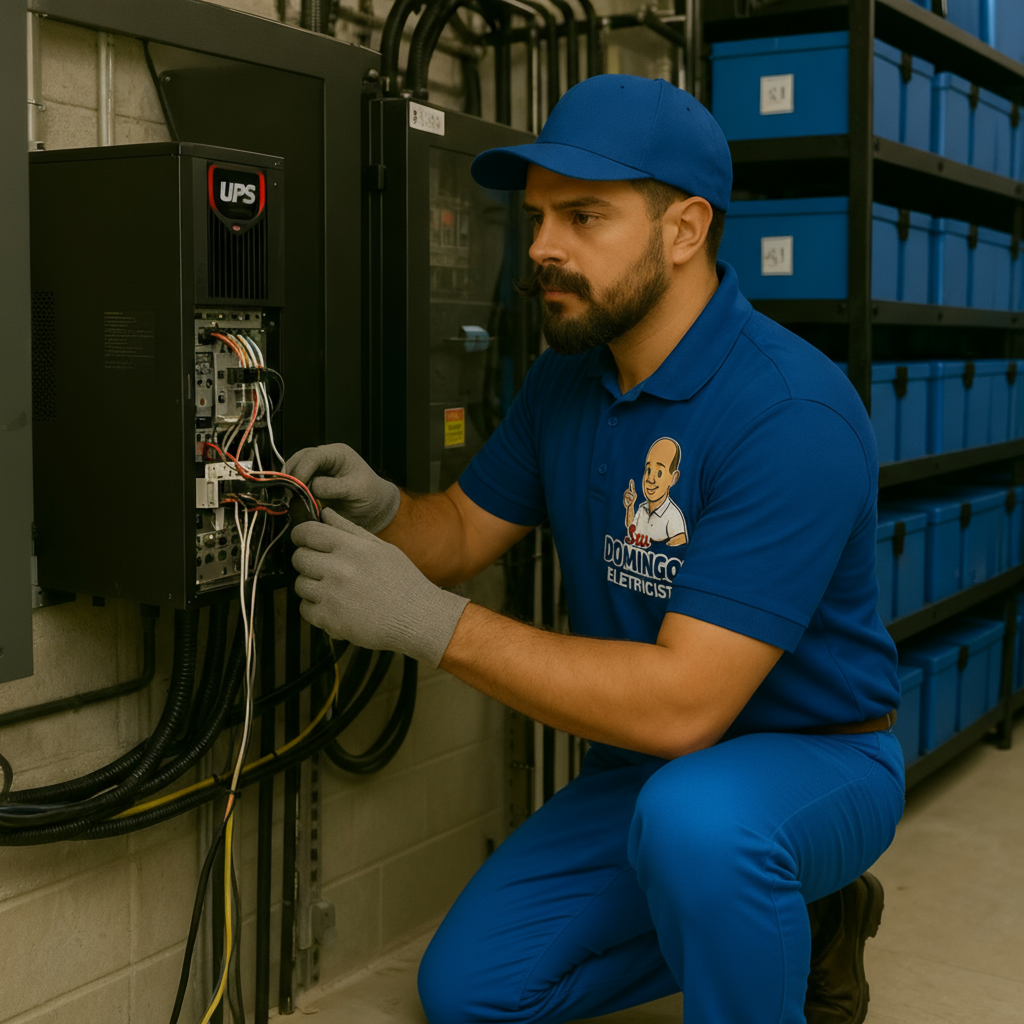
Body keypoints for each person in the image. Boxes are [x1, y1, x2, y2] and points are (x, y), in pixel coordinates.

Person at [288, 74, 905, 1024]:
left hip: (812, 762)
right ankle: (799, 922)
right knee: (472, 994)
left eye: (582, 217)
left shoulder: (790, 413)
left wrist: (431, 625)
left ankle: (774, 893)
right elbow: (455, 532)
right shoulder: (566, 381)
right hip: (651, 779)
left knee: (703, 825)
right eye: (536, 218)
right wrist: (379, 511)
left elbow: (684, 705)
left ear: (685, 230)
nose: (541, 249)